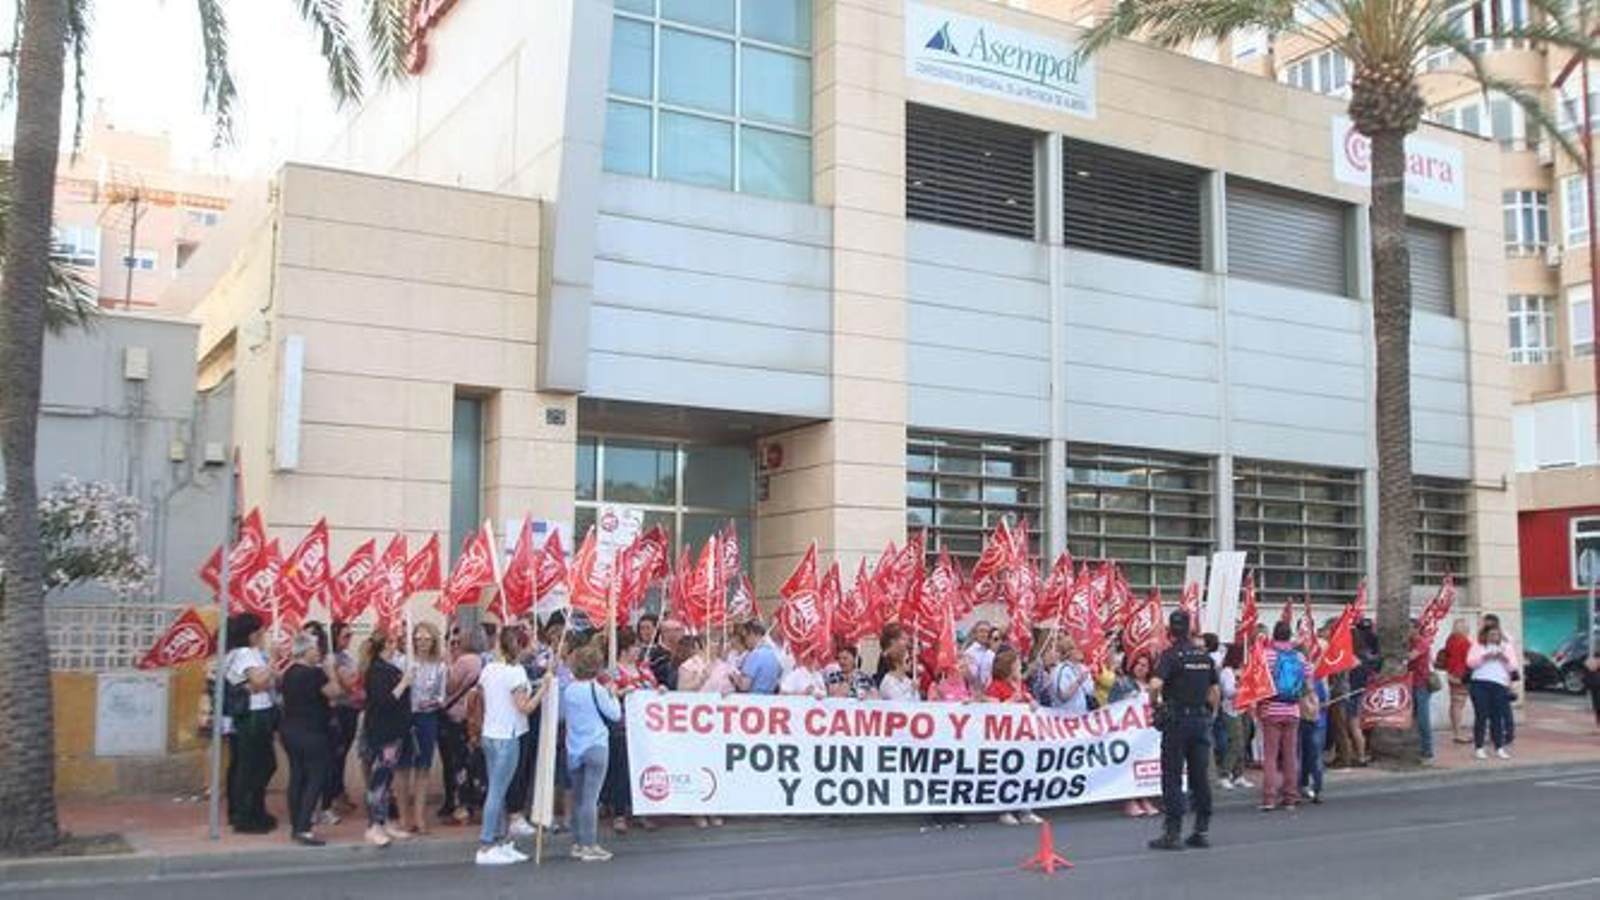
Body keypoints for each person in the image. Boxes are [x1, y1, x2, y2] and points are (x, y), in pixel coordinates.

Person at [1148, 610, 1218, 851]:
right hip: (1200, 719)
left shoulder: (1171, 655)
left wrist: (1155, 704)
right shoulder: (1204, 655)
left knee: (1172, 776)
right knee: (1200, 776)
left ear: (1171, 630)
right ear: (1189, 629)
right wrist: (1210, 712)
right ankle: (1201, 829)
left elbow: (1155, 684)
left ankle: (1173, 832)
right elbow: (1215, 691)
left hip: (1177, 721)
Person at [475, 628, 545, 866]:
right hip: (509, 735)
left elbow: (486, 698)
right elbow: (524, 708)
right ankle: (486, 844)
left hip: (490, 733)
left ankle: (500, 841)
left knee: (499, 790)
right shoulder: (515, 672)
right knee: (497, 791)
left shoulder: (488, 669)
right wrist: (543, 690)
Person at [279, 631, 343, 846]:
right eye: (316, 649)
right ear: (306, 651)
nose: (319, 653)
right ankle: (304, 827)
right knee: (316, 777)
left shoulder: (288, 673)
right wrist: (331, 671)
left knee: (297, 776)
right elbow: (334, 692)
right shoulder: (314, 674)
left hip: (290, 730)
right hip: (312, 732)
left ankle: (296, 824)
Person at [563, 645, 621, 862]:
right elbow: (615, 715)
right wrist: (612, 695)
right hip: (596, 745)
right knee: (591, 799)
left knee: (579, 798)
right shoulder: (597, 689)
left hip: (573, 747)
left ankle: (578, 842)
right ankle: (590, 844)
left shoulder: (568, 689)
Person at [223, 613, 277, 834]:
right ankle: (247, 815)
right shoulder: (245, 654)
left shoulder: (241, 654)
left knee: (247, 765)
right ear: (253, 634)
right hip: (254, 714)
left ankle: (247, 811)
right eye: (261, 631)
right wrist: (272, 660)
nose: (264, 635)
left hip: (255, 712)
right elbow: (259, 681)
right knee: (258, 766)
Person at [361, 631, 415, 847]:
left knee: (387, 778)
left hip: (395, 730)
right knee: (379, 780)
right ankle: (373, 825)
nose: (396, 646)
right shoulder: (377, 671)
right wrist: (404, 683)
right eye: (392, 642)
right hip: (384, 732)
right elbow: (385, 701)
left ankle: (383, 822)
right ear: (385, 645)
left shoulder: (386, 668)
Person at [397, 622, 447, 834]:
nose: (422, 642)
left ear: (433, 640)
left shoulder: (440, 666)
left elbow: (442, 696)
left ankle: (419, 816)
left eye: (426, 639)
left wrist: (433, 702)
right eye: (418, 638)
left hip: (427, 718)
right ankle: (403, 816)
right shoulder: (403, 662)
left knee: (423, 767)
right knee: (402, 769)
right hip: (405, 718)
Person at [983, 650, 1044, 826]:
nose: (1020, 667)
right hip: (1005, 739)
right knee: (1005, 774)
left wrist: (1033, 704)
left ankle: (1025, 810)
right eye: (1017, 664)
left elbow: (1031, 706)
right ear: (1008, 666)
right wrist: (1011, 701)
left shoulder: (1021, 686)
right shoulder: (996, 686)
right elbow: (992, 711)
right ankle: (1004, 810)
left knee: (1024, 773)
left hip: (1023, 738)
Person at [1257, 621, 1309, 811]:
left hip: (1271, 710)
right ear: (1289, 636)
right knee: (1290, 755)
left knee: (1270, 756)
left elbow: (1258, 683)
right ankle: (1290, 798)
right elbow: (1308, 684)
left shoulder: (1266, 655)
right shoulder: (1300, 657)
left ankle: (1269, 798)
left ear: (1274, 635)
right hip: (1292, 710)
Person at [438, 623, 487, 825]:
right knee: (475, 761)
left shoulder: (464, 661)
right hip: (476, 719)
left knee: (459, 763)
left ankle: (462, 806)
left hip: (458, 717)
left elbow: (449, 687)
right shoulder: (484, 660)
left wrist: (449, 664)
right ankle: (477, 801)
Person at [1110, 653, 1160, 818]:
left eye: (1145, 665)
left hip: (1148, 736)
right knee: (1129, 767)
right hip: (1129, 734)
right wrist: (1126, 699)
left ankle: (1144, 799)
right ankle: (1130, 800)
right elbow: (1111, 707)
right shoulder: (1122, 683)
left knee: (1145, 766)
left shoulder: (1153, 685)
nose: (1140, 667)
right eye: (1138, 664)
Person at [325, 622, 363, 819]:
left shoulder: (346, 657)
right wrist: (359, 676)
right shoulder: (334, 659)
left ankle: (338, 793)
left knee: (342, 754)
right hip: (340, 710)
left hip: (352, 709)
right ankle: (332, 796)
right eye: (345, 636)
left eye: (350, 635)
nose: (349, 639)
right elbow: (349, 683)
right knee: (336, 755)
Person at [1467, 622, 1520, 760]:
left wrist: (1503, 658)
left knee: (1497, 716)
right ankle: (1479, 747)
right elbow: (1470, 662)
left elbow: (1513, 666)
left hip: (1499, 684)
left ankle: (1499, 747)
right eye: (1491, 634)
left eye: (1496, 634)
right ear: (1485, 635)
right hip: (1479, 683)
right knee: (1481, 715)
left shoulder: (1505, 646)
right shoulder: (1478, 645)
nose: (1494, 637)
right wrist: (1485, 657)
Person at [1215, 643, 1251, 790]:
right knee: (1235, 742)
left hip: (1244, 708)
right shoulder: (1227, 672)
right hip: (1231, 710)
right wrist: (1242, 687)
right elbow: (1228, 691)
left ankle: (1239, 775)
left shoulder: (1242, 669)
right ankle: (1224, 774)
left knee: (1244, 742)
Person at [1298, 669, 1329, 804]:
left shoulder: (1296, 677)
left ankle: (1306, 786)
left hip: (1300, 720)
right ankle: (1316, 790)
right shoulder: (1317, 678)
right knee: (1313, 756)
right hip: (1317, 721)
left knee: (1303, 755)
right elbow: (1325, 702)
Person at [1408, 618, 1435, 763]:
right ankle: (1416, 748)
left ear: (1417, 629)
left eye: (1409, 628)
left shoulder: (1422, 642)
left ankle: (1427, 751)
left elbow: (1411, 657)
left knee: (1423, 718)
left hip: (1422, 684)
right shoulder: (1408, 643)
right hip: (1410, 683)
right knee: (1413, 718)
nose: (1407, 631)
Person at [1442, 618, 1473, 743]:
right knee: (1459, 705)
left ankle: (1456, 732)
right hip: (1462, 676)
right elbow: (1470, 661)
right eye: (1467, 627)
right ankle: (1458, 734)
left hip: (1451, 674)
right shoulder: (1465, 642)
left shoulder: (1450, 640)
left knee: (1454, 704)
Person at [732, 620, 782, 694]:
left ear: (752, 634)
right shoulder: (774, 655)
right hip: (769, 700)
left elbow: (744, 686)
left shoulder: (755, 655)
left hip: (753, 699)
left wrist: (733, 676)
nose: (745, 641)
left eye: (745, 636)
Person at [1050, 638, 1092, 715]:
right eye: (1078, 648)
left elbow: (1090, 691)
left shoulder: (1083, 668)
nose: (1082, 651)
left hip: (1081, 716)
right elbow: (1063, 697)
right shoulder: (1060, 670)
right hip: (1064, 718)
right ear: (1069, 652)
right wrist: (1079, 681)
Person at [963, 621, 996, 689]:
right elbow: (971, 677)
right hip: (976, 692)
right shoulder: (969, 652)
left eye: (987, 632)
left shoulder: (993, 651)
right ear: (975, 634)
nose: (984, 634)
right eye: (981, 631)